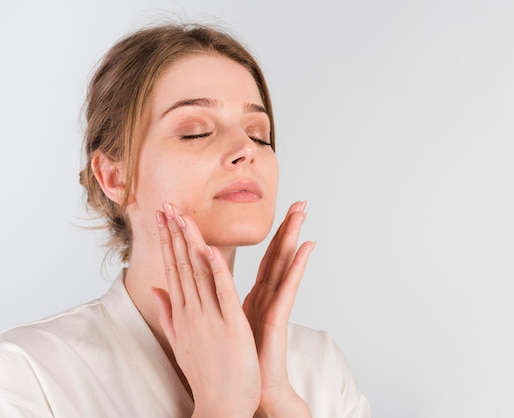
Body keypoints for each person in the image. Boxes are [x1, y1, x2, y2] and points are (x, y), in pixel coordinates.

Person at [0, 23, 370, 417]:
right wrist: (223, 407)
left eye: (259, 135)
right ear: (114, 176)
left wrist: (278, 406)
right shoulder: (28, 373)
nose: (246, 149)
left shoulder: (319, 368)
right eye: (196, 132)